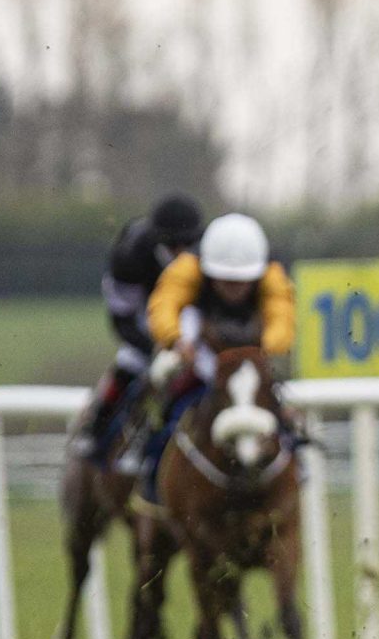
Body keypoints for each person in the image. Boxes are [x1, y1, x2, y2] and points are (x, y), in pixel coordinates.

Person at [73, 193, 204, 462]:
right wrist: (154, 349)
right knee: (131, 362)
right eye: (173, 245)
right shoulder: (130, 256)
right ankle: (95, 428)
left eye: (187, 244)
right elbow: (122, 319)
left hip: (190, 318)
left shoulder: (206, 253)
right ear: (159, 240)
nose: (181, 252)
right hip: (147, 319)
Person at [146, 211, 296, 389]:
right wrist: (175, 340)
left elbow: (282, 317)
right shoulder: (188, 268)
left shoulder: (273, 276)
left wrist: (270, 350)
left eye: (241, 281)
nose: (233, 288)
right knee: (186, 320)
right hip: (199, 351)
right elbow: (164, 303)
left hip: (254, 353)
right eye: (225, 280)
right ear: (208, 271)